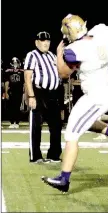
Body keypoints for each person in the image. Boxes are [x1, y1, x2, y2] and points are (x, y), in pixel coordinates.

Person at [41, 14, 108, 193]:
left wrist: (59, 54)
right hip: (102, 92)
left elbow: (64, 74)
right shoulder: (100, 33)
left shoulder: (75, 49)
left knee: (71, 134)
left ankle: (64, 180)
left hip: (97, 97)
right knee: (80, 122)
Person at [24, 31, 63, 163]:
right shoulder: (32, 55)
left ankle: (54, 154)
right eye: (42, 40)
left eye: (47, 40)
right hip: (39, 93)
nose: (45, 43)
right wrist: (31, 96)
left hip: (53, 94)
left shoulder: (52, 56)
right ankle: (35, 156)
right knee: (36, 126)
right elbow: (28, 77)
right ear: (37, 42)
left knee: (56, 125)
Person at [4, 57, 24, 128]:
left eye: (16, 63)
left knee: (18, 107)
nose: (15, 64)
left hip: (19, 91)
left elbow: (24, 83)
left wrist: (25, 93)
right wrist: (6, 92)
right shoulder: (8, 71)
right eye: (14, 63)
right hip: (11, 91)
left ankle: (17, 122)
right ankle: (12, 122)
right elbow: (7, 82)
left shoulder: (22, 71)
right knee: (11, 107)